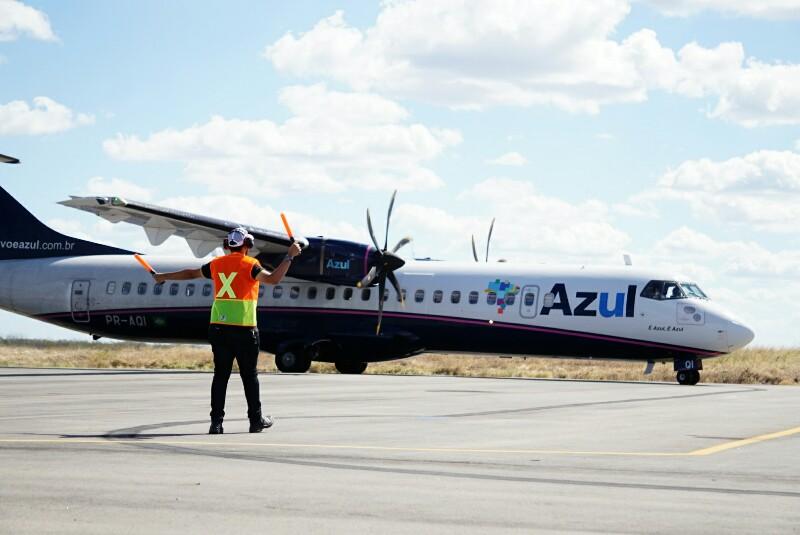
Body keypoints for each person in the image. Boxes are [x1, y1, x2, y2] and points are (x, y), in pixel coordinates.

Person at [153, 227, 302, 434]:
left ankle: (216, 423)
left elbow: (191, 273)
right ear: (247, 245)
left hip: (218, 329)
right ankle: (255, 421)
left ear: (227, 246)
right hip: (244, 329)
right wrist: (289, 256)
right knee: (249, 376)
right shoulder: (251, 265)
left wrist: (163, 277)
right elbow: (274, 279)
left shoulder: (216, 264)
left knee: (220, 376)